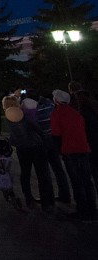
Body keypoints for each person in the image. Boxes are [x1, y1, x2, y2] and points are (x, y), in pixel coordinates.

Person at [51, 89, 97, 221]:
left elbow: (56, 135)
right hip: (84, 149)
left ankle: (82, 210)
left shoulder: (57, 114)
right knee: (87, 181)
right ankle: (92, 209)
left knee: (77, 181)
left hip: (70, 150)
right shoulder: (76, 113)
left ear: (57, 100)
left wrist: (59, 151)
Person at [3, 97, 54, 211]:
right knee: (42, 174)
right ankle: (46, 201)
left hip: (22, 148)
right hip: (36, 146)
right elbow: (37, 129)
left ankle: (29, 198)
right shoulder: (24, 116)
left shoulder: (8, 118)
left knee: (25, 173)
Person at [35, 91, 71, 203]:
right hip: (53, 141)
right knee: (58, 169)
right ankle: (65, 194)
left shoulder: (36, 112)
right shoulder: (50, 107)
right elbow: (50, 101)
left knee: (44, 171)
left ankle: (48, 198)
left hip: (42, 143)